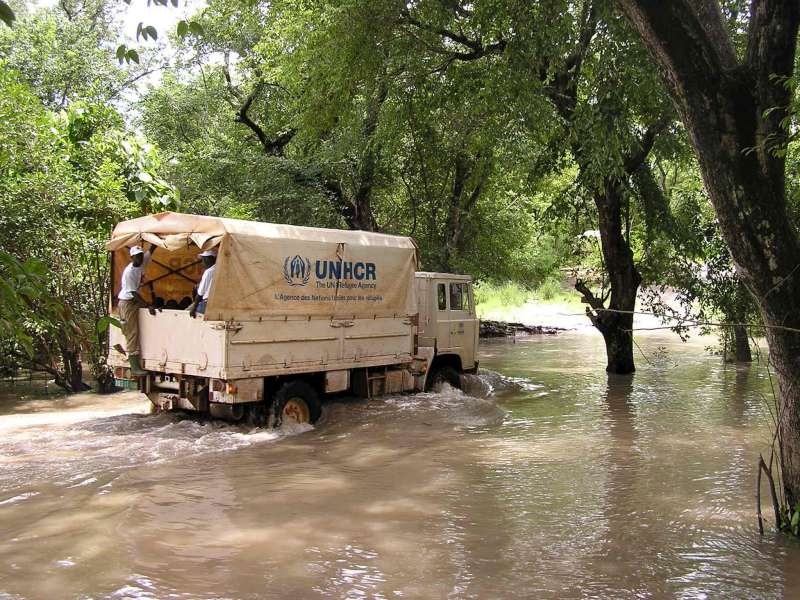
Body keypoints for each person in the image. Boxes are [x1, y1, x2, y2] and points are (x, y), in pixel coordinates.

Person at [116, 243, 157, 376]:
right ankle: (134, 367)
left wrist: (155, 239)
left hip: (134, 301)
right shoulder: (129, 272)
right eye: (136, 257)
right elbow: (133, 293)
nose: (139, 259)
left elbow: (151, 250)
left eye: (140, 256)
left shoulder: (142, 262)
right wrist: (147, 305)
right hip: (128, 302)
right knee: (131, 332)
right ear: (132, 258)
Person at [189, 248, 217, 318]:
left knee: (186, 313)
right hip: (217, 303)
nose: (202, 262)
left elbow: (200, 293)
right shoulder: (219, 269)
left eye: (203, 259)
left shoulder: (209, 271)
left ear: (208, 259)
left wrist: (194, 308)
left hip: (207, 303)